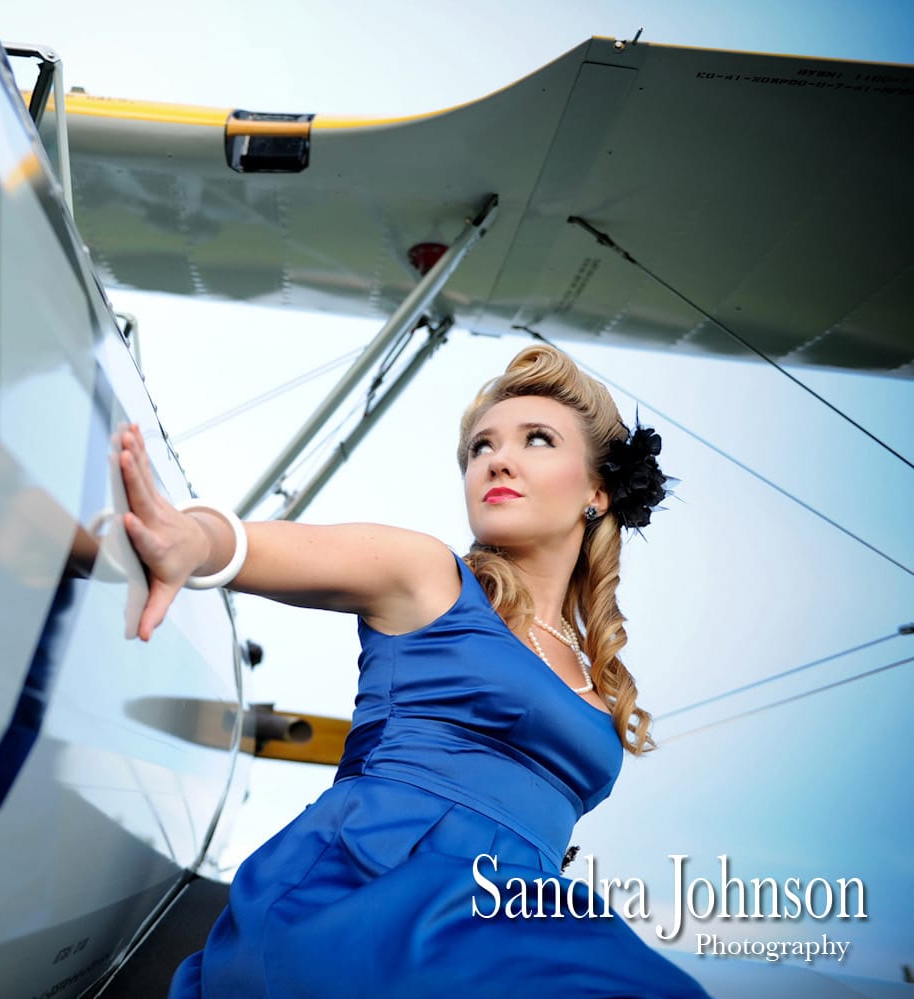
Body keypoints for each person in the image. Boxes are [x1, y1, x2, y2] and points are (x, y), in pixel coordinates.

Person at [114, 344, 711, 997]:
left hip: (520, 915)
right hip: (376, 891)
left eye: (537, 439)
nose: (497, 459)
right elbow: (251, 546)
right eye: (480, 447)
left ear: (597, 490)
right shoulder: (430, 578)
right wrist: (192, 539)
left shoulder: (598, 680)